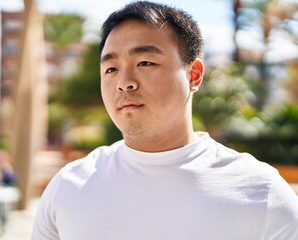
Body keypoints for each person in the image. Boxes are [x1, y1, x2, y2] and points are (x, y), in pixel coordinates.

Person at [32, 1, 298, 239]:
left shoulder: (261, 193)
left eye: (145, 62)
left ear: (194, 75)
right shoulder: (68, 187)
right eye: (111, 69)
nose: (124, 83)